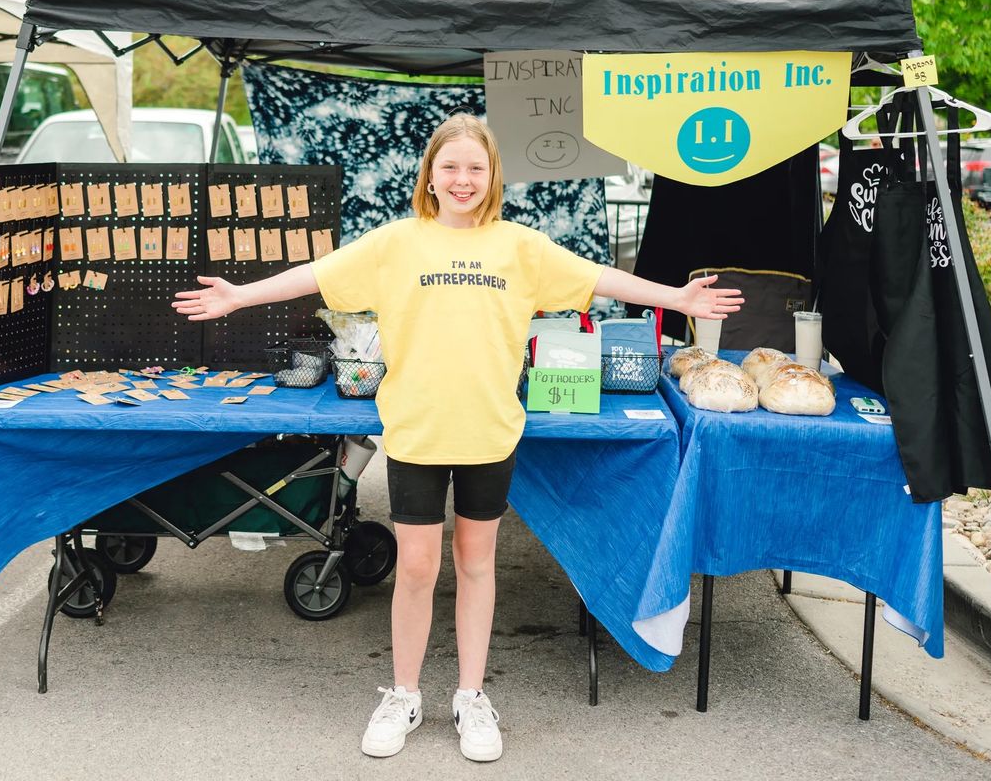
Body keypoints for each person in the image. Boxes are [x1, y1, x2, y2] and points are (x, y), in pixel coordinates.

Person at [173, 114, 743, 762]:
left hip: (490, 435)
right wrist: (238, 296)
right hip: (417, 432)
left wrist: (677, 297)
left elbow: (600, 279)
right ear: (431, 177)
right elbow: (315, 276)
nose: (463, 179)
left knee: (476, 566)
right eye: (451, 168)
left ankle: (472, 697)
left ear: (492, 175)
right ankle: (404, 694)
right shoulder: (396, 244)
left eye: (475, 168)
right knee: (416, 570)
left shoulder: (519, 247)